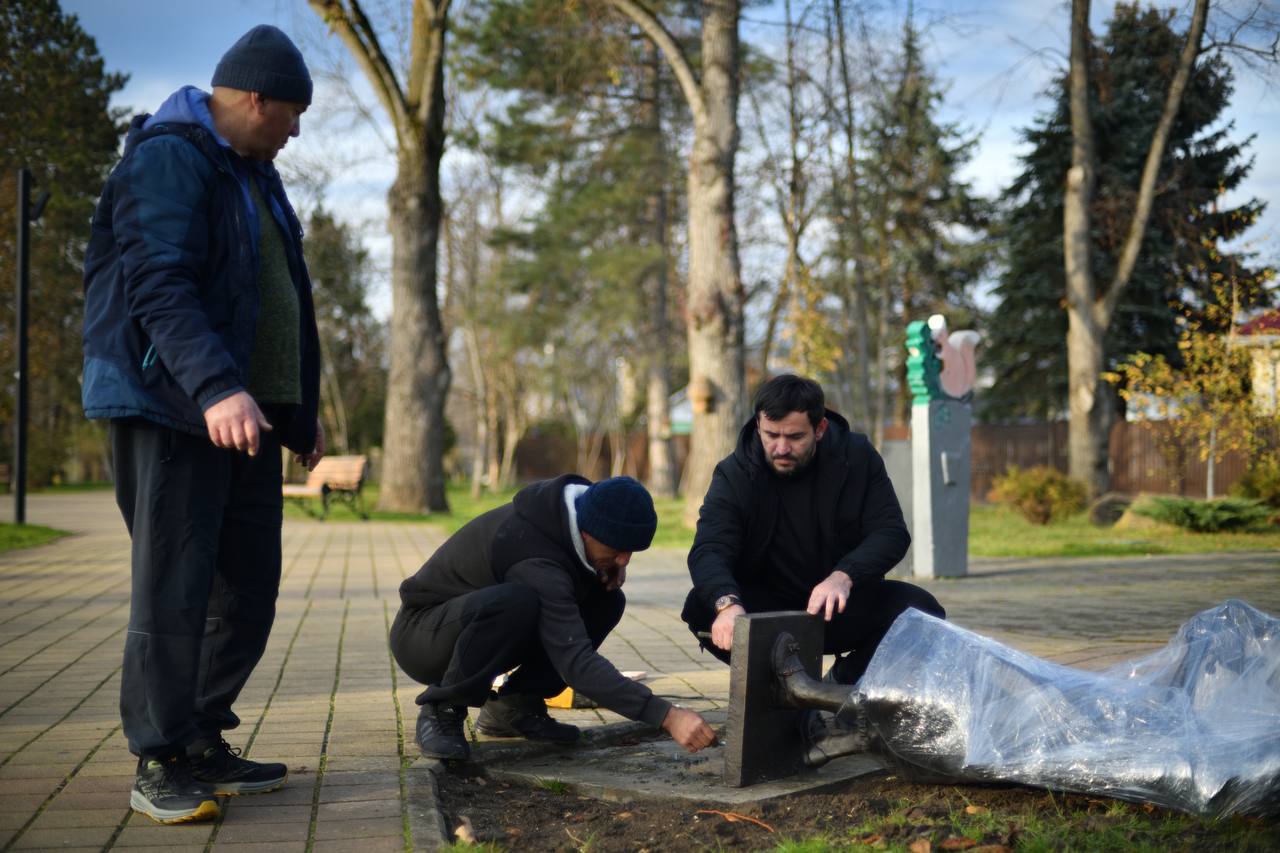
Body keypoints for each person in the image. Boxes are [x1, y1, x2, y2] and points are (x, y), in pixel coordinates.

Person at [81, 26, 323, 825]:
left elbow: (272, 294)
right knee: (175, 589)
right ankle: (158, 756)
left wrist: (297, 413)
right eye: (290, 113)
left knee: (249, 587)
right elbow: (158, 282)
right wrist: (217, 386)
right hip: (173, 406)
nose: (296, 129)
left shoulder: (255, 173)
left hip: (241, 417)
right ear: (253, 98)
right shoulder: (169, 155)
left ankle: (201, 736)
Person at [392, 475, 718, 761]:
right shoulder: (534, 555)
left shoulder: (581, 516)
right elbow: (574, 660)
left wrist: (604, 568)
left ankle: (514, 708)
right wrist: (667, 716)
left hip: (472, 624)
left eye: (632, 551)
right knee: (516, 602)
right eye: (618, 549)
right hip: (423, 634)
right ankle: (442, 710)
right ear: (589, 531)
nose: (625, 560)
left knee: (607, 601)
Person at [683, 374, 944, 686]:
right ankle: (784, 690)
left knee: (922, 612)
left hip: (837, 606)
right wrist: (727, 604)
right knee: (702, 605)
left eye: (794, 437)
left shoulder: (857, 457)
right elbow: (709, 549)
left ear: (819, 429)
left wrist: (843, 576)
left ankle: (842, 683)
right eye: (771, 435)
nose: (780, 448)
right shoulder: (735, 473)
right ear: (758, 426)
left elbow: (891, 532)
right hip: (768, 613)